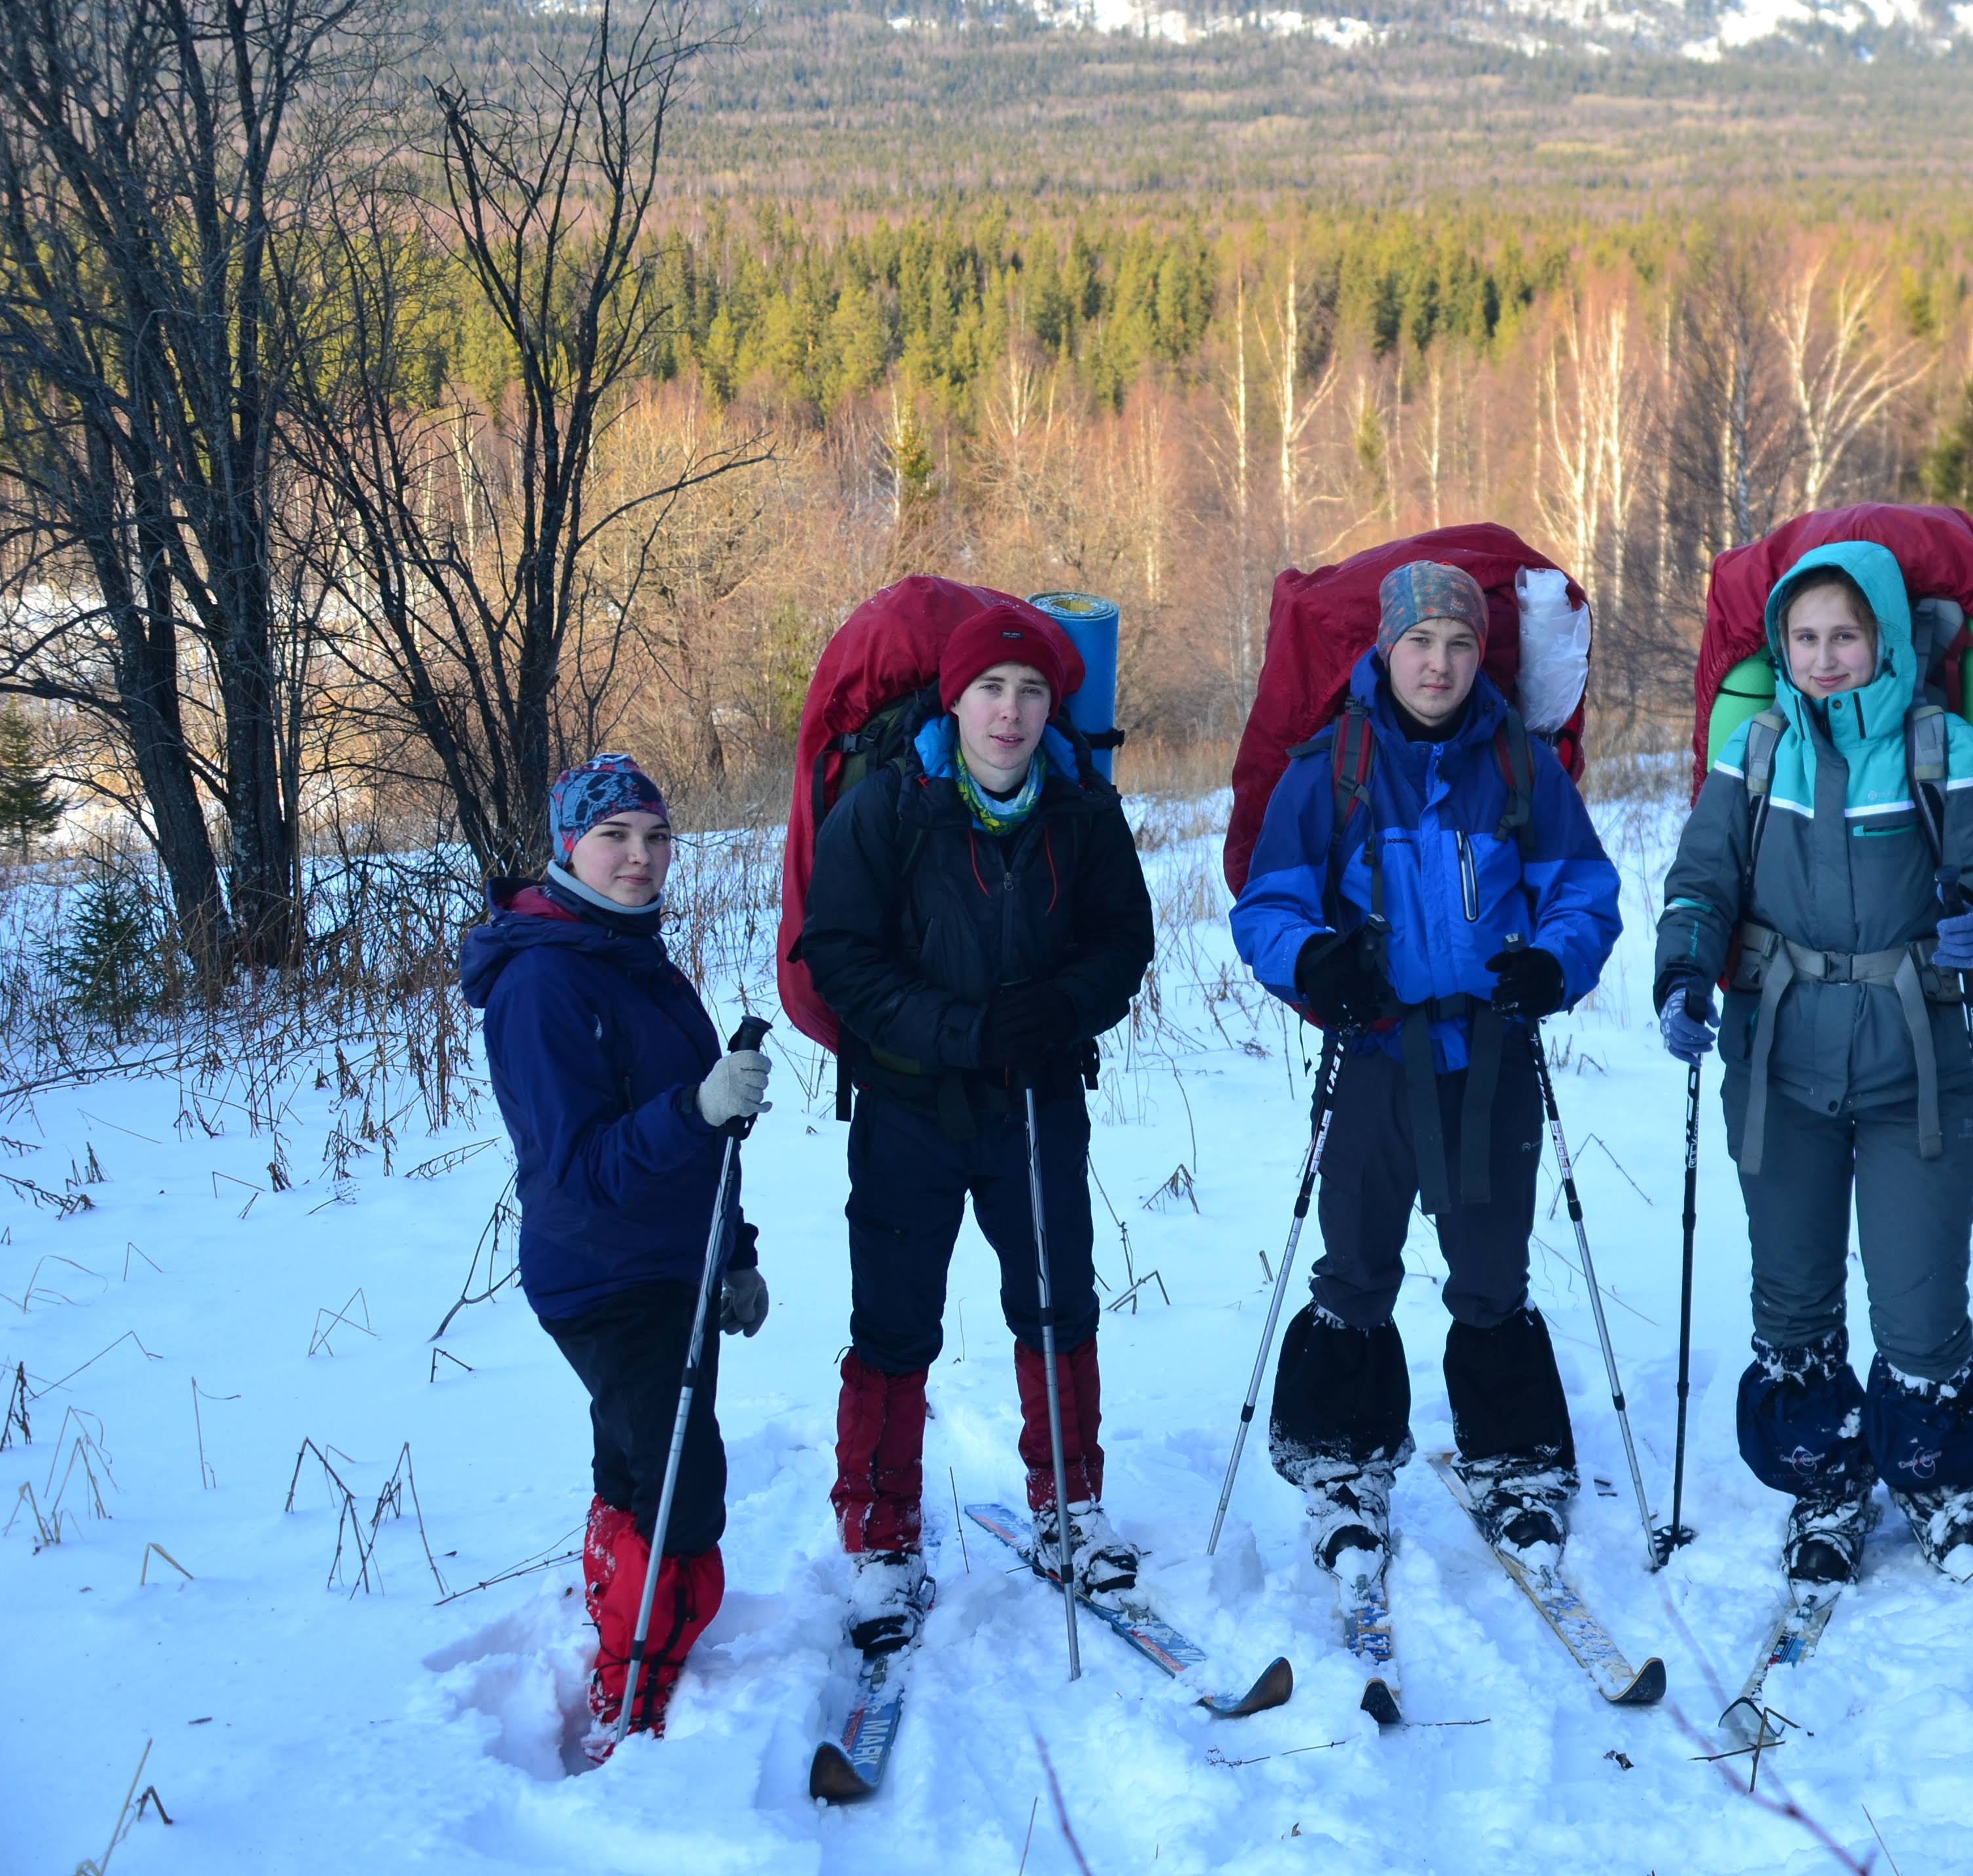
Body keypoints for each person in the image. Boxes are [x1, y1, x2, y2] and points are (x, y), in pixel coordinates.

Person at [1651, 541, 1973, 1586]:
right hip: (1778, 1061)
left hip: (1914, 1065)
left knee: (1921, 1307)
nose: (1826, 657)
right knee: (1792, 1303)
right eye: (1807, 638)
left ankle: (1934, 1479)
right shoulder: (1757, 751)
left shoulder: (1940, 745)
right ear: (1784, 645)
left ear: (1886, 642)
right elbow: (1700, 885)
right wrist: (1684, 974)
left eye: (1847, 637)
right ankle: (1824, 1484)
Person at [1229, 560, 1622, 1577]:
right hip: (1373, 1057)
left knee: (1492, 1270)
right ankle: (1340, 1468)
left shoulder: (1520, 769)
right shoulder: (1334, 770)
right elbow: (1268, 908)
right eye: (1419, 643)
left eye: (1457, 643)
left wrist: (1554, 962)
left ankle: (1519, 1465)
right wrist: (1316, 959)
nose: (1438, 662)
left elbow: (1583, 890)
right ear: (1385, 650)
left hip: (1490, 1056)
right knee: (1357, 1265)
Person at [797, 597, 1153, 1646]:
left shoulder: (1082, 811)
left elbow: (1121, 940)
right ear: (953, 701)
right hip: (909, 1103)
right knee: (896, 1319)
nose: (1009, 712)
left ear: (1053, 705)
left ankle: (1070, 1509)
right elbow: (840, 957)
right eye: (989, 690)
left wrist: (1061, 1008)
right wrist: (961, 1028)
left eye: (1031, 691)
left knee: (1057, 1302)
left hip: (1037, 1101)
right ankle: (879, 1538)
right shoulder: (887, 810)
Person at [459, 753, 773, 1754]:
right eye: (614, 838)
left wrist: (733, 1253)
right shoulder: (545, 983)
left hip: (671, 1266)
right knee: (683, 1493)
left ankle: (618, 1592)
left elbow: (701, 1153)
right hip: (605, 1273)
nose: (639, 858)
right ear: (568, 847)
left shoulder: (635, 956)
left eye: (655, 837)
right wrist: (695, 1105)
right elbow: (583, 1165)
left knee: (642, 1463)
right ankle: (630, 1685)